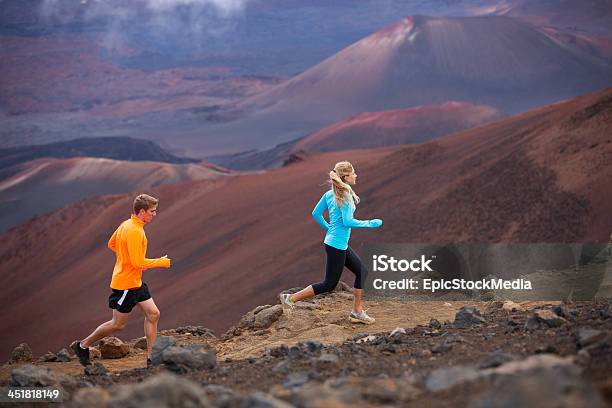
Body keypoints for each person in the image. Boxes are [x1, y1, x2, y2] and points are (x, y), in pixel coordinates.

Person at [72, 194, 171, 367]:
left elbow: (112, 244)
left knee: (153, 314)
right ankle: (83, 345)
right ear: (142, 211)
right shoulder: (134, 230)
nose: (155, 214)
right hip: (126, 285)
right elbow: (137, 262)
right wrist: (161, 262)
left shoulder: (127, 224)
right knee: (117, 325)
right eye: (152, 211)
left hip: (135, 282)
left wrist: (129, 261)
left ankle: (151, 358)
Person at [280, 161, 382, 324]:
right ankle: (290, 299)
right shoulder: (346, 195)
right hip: (336, 245)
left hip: (336, 243)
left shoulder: (330, 194)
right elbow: (348, 221)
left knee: (362, 272)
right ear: (345, 176)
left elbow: (316, 213)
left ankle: (357, 312)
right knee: (329, 284)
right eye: (353, 173)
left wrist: (329, 228)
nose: (356, 175)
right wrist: (370, 223)